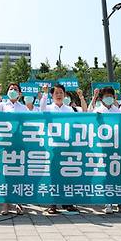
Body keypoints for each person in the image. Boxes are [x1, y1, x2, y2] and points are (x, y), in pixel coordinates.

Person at [92, 87, 121, 214]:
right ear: (101, 98)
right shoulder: (97, 110)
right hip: (104, 147)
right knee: (107, 174)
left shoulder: (118, 111)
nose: (109, 98)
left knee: (120, 174)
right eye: (106, 96)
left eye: (111, 95)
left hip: (119, 147)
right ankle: (108, 202)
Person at [40, 84, 80, 214]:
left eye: (61, 92)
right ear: (52, 95)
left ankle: (67, 203)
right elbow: (41, 109)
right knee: (54, 175)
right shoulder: (48, 108)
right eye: (56, 92)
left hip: (68, 146)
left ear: (64, 94)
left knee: (68, 175)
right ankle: (53, 203)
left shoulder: (69, 110)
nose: (59, 95)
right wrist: (44, 93)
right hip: (53, 147)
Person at [0, 83, 27, 215]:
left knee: (18, 173)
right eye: (10, 89)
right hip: (4, 143)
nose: (13, 91)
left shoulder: (23, 108)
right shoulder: (2, 105)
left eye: (15, 89)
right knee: (5, 173)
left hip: (18, 144)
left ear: (20, 94)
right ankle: (5, 203)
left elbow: (29, 123)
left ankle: (18, 202)